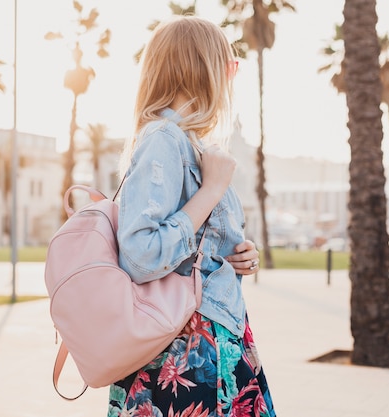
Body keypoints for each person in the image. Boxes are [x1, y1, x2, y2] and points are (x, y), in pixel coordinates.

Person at [108, 16, 276, 417]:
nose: (231, 77)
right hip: (184, 352)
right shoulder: (163, 141)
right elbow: (140, 256)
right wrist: (212, 191)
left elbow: (198, 245)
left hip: (216, 336)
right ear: (201, 68)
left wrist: (238, 257)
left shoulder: (190, 143)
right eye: (229, 65)